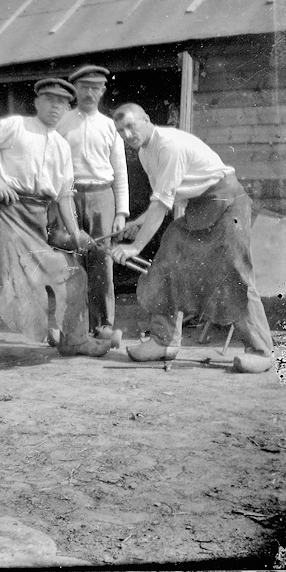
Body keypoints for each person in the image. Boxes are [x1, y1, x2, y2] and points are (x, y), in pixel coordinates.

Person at [0, 78, 112, 380]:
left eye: (62, 102)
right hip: (9, 216)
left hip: (39, 223)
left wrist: (75, 233)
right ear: (37, 102)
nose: (56, 106)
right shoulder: (16, 126)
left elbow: (63, 194)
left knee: (74, 274)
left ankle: (75, 340)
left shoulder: (62, 146)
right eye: (49, 100)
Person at [109, 104, 272, 373]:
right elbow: (166, 197)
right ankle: (164, 341)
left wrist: (135, 247)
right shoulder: (144, 152)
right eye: (120, 130)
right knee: (165, 262)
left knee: (234, 273)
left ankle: (260, 350)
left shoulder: (170, 145)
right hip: (198, 208)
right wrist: (138, 223)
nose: (127, 134)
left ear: (147, 120)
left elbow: (162, 204)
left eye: (131, 126)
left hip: (228, 203)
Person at [52, 65, 129, 339]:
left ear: (103, 91)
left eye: (96, 88)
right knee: (70, 261)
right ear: (76, 91)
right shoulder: (62, 123)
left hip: (102, 197)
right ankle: (73, 326)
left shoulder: (110, 126)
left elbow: (120, 171)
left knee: (101, 261)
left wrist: (121, 211)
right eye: (84, 87)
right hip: (68, 197)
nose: (89, 93)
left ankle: (103, 324)